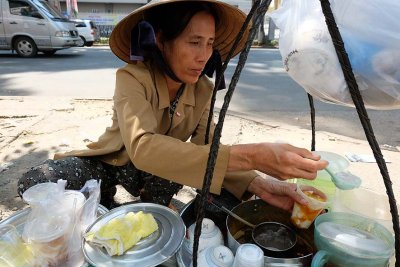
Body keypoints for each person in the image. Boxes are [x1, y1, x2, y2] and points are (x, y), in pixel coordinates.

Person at [17, 0, 328, 210]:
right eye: (194, 42)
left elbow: (208, 149)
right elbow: (142, 147)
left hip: (159, 173)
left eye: (209, 44)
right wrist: (253, 155)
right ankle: (106, 206)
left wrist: (258, 183)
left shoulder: (204, 89)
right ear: (162, 40)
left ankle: (154, 209)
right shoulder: (132, 78)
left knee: (186, 165)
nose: (203, 56)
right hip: (113, 164)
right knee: (36, 182)